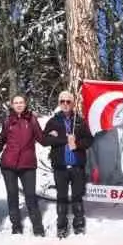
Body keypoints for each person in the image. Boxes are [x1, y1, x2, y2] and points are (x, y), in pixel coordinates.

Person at [43, 90, 94, 237]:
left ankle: (78, 225)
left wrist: (76, 144)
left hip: (77, 166)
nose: (65, 104)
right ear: (59, 103)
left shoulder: (79, 120)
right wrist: (62, 139)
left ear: (72, 103)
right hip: (60, 166)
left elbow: (90, 140)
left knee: (77, 195)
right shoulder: (53, 121)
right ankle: (62, 226)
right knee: (62, 196)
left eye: (68, 101)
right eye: (62, 101)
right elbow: (44, 140)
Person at [0, 94, 45, 236]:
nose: (19, 105)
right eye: (16, 102)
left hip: (27, 164)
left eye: (21, 102)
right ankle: (16, 226)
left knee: (30, 196)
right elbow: (1, 140)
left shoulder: (32, 119)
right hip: (9, 165)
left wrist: (56, 135)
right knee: (12, 196)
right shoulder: (8, 121)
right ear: (12, 105)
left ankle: (38, 227)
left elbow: (42, 138)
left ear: (25, 104)